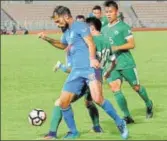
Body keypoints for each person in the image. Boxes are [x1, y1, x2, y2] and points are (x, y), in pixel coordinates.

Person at [38, 5, 128, 139]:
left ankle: (120, 122)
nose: (57, 24)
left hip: (89, 68)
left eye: (58, 21)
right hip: (76, 71)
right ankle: (73, 132)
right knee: (63, 102)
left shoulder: (80, 26)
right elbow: (63, 46)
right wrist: (48, 39)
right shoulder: (66, 32)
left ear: (66, 16)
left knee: (97, 99)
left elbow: (91, 43)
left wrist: (92, 59)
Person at [102, 0, 153, 124]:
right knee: (115, 89)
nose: (108, 14)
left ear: (116, 12)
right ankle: (127, 116)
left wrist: (116, 47)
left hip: (126, 63)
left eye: (111, 12)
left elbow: (132, 44)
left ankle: (148, 103)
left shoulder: (123, 27)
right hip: (111, 65)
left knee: (136, 87)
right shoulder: (103, 29)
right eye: (107, 12)